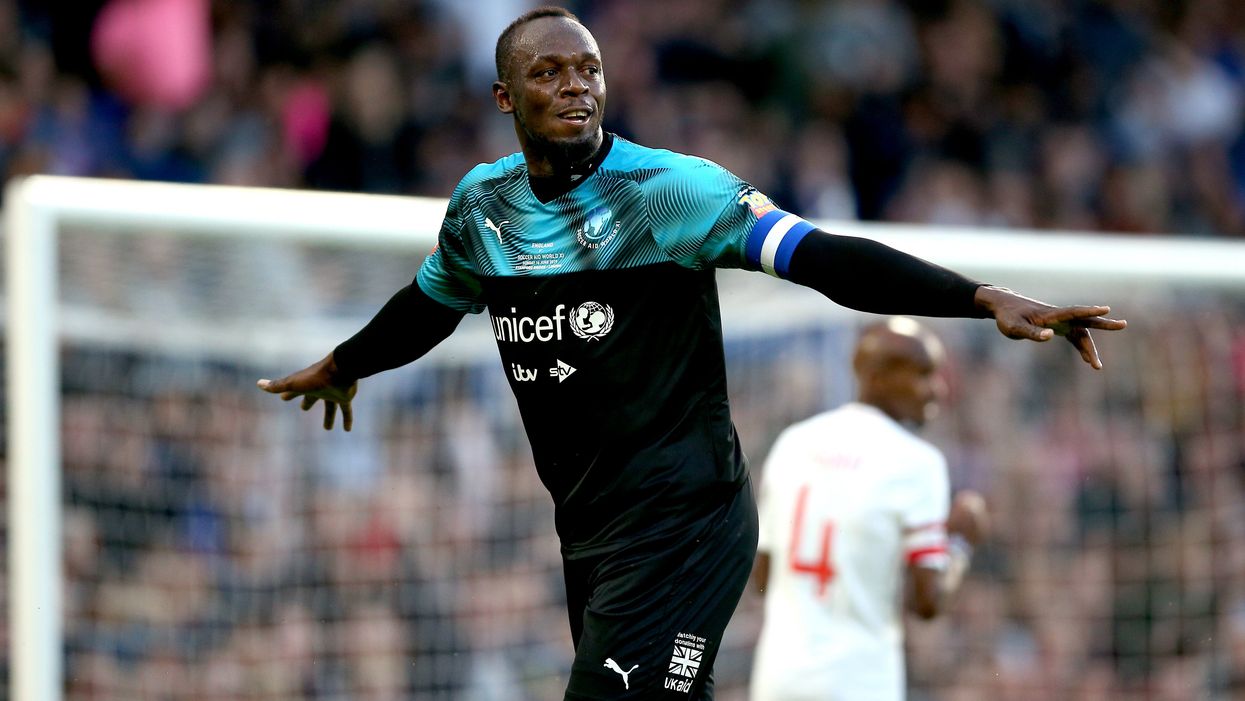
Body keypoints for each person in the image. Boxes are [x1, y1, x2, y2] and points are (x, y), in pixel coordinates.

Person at [257, 7, 1125, 699]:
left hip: (687, 521)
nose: (575, 85)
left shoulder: (669, 193)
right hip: (590, 529)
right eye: (548, 71)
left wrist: (978, 297)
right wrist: (346, 364)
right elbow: (429, 304)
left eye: (588, 68)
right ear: (503, 97)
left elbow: (822, 258)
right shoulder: (483, 209)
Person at [749, 317, 987, 701]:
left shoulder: (793, 443)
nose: (937, 389)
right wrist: (960, 543)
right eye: (923, 374)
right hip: (859, 681)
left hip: (779, 678)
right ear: (877, 378)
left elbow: (761, 575)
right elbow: (926, 603)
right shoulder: (917, 463)